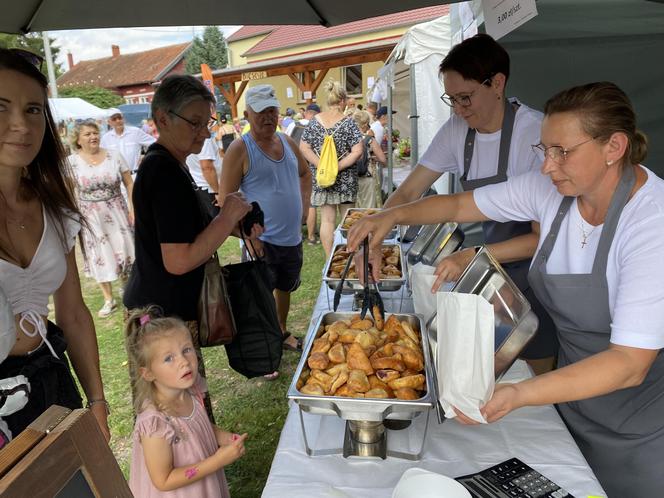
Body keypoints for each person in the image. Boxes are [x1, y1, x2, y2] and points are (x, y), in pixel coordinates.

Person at [348, 81, 664, 498]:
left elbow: (628, 363)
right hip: (570, 402)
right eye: (544, 150)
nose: (548, 166)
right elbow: (460, 205)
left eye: (561, 152)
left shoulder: (650, 222)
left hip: (639, 427)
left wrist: (519, 392)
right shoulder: (551, 192)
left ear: (614, 147)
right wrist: (390, 217)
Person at [382, 34, 556, 373]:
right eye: (452, 100)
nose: (460, 110)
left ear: (498, 83)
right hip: (491, 272)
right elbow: (408, 192)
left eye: (466, 98)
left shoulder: (533, 135)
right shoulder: (457, 130)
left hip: (536, 277)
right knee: (489, 374)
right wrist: (381, 226)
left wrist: (474, 256)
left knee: (536, 379)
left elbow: (541, 239)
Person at [123, 74, 255, 416]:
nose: (204, 131)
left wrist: (234, 225)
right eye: (195, 123)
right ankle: (192, 469)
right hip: (159, 318)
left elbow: (190, 235)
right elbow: (179, 260)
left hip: (166, 312)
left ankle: (200, 465)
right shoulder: (164, 173)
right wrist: (226, 218)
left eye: (206, 122)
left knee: (184, 405)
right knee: (174, 414)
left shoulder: (171, 167)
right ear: (162, 119)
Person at [0, 48, 109, 440]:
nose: (21, 125)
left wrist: (97, 401)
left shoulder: (53, 207)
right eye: (1, 106)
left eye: (33, 109)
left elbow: (74, 312)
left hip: (50, 377)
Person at [220, 84, 311, 357]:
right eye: (261, 112)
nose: (268, 117)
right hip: (262, 242)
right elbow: (227, 201)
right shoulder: (240, 149)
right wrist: (250, 236)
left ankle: (280, 331)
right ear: (247, 114)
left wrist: (304, 208)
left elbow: (305, 174)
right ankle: (264, 346)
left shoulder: (286, 141)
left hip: (291, 238)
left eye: (272, 110)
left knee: (285, 287)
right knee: (260, 296)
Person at [126, 306, 247, 497]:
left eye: (186, 350)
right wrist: (218, 460)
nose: (183, 361)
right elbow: (163, 480)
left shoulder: (192, 390)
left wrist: (224, 437)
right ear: (147, 373)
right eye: (168, 358)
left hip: (203, 485)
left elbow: (199, 427)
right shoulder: (155, 423)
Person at [68, 120, 135, 317]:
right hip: (90, 216)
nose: (93, 137)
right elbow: (67, 191)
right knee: (98, 253)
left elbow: (129, 183)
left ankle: (127, 289)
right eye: (87, 134)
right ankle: (108, 299)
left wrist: (133, 208)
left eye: (95, 133)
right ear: (78, 140)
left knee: (125, 247)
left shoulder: (114, 155)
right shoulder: (71, 162)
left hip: (117, 210)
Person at [299, 80, 364, 258]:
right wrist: (337, 167)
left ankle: (330, 259)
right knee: (347, 220)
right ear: (342, 101)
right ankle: (348, 257)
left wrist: (323, 166)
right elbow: (358, 151)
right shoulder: (349, 123)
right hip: (346, 180)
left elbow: (303, 148)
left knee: (327, 220)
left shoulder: (314, 122)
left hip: (323, 178)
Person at [100, 108, 156, 174]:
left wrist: (146, 156)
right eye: (114, 119)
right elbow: (101, 155)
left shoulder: (135, 132)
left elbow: (155, 143)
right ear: (109, 122)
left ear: (123, 119)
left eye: (119, 118)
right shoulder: (105, 138)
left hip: (135, 175)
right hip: (118, 177)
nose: (118, 121)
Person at [352, 110, 386, 209]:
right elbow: (383, 159)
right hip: (367, 175)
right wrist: (373, 157)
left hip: (352, 177)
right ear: (366, 123)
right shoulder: (369, 139)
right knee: (368, 208)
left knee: (354, 208)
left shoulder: (349, 138)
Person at [185, 136, 222, 219]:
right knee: (217, 222)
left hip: (201, 185)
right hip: (209, 187)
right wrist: (218, 192)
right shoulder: (205, 138)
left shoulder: (188, 136)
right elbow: (207, 167)